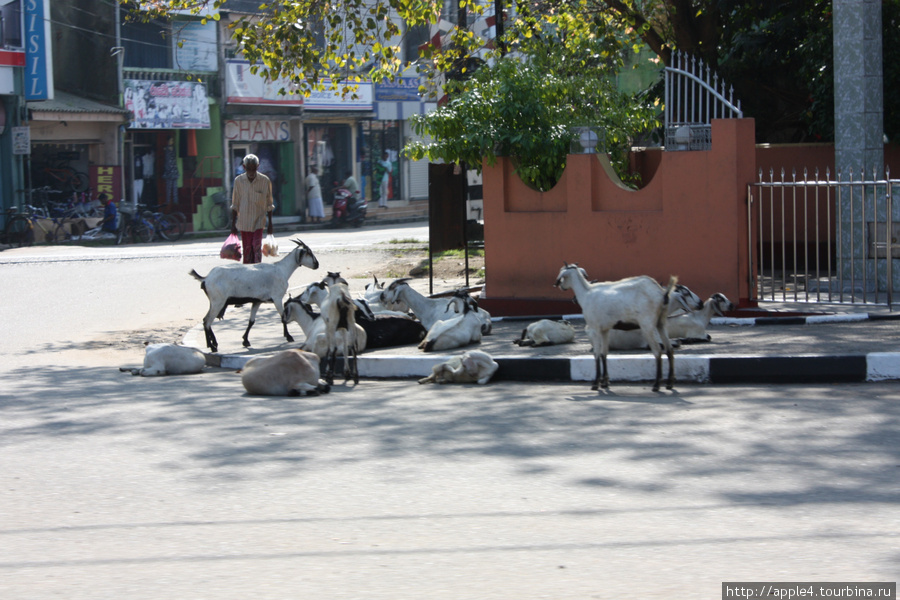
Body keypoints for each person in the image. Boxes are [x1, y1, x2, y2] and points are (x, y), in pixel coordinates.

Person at [231, 153, 274, 264]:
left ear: (257, 167)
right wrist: (232, 226)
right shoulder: (238, 181)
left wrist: (270, 224)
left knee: (256, 247)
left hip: (258, 221)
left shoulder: (265, 181)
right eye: (248, 169)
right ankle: (248, 272)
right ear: (244, 167)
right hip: (244, 222)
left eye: (253, 168)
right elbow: (235, 203)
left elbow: (269, 204)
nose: (251, 171)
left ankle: (257, 270)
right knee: (247, 249)